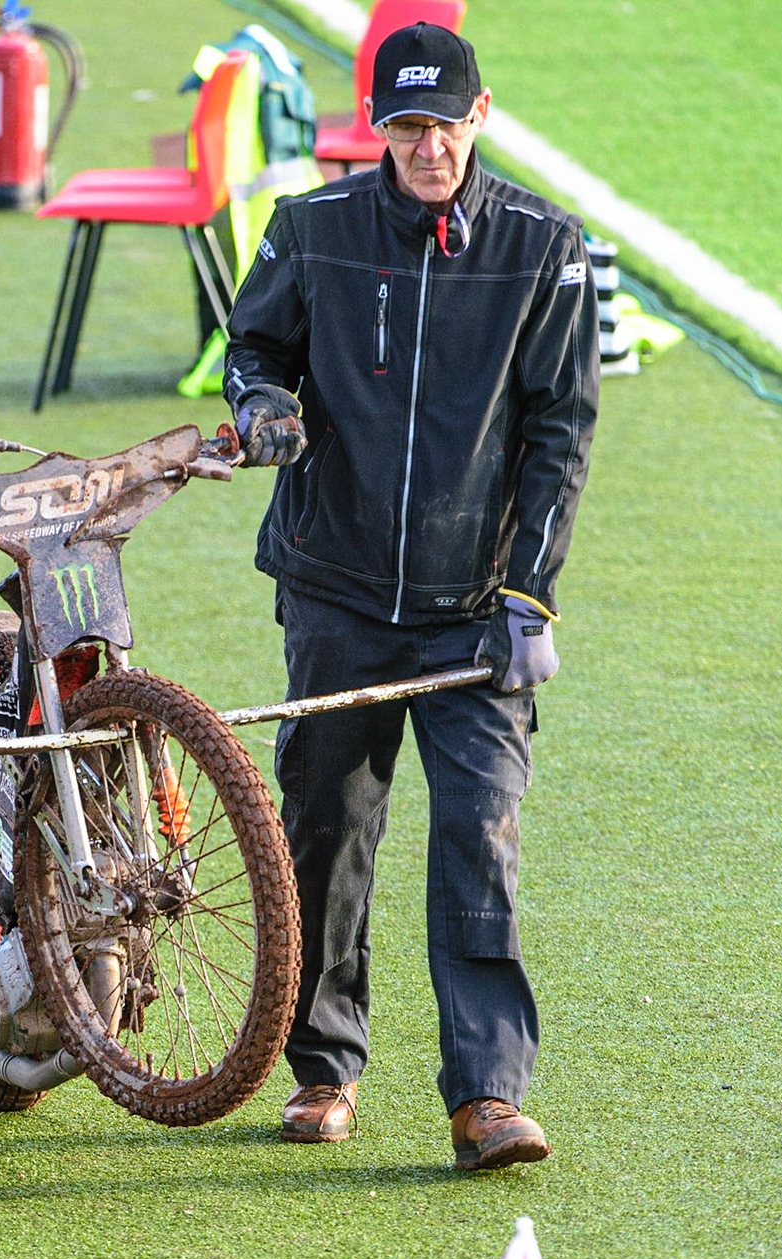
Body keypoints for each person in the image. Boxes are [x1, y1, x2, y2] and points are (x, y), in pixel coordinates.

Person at [224, 22, 598, 1170]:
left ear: (481, 116)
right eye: (406, 127)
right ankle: (324, 1071)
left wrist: (529, 592)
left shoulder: (545, 246)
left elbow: (559, 429)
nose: (427, 146)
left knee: (480, 831)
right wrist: (259, 405)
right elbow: (253, 345)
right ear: (377, 130)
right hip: (333, 591)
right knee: (327, 831)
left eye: (444, 124)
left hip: (475, 608)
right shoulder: (311, 230)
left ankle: (487, 1095)